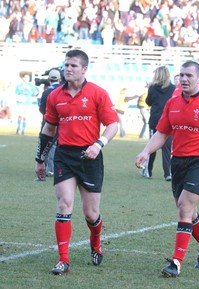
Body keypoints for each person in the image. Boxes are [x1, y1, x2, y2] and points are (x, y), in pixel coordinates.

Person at [135, 61, 199, 277]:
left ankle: (176, 263)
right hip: (178, 162)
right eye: (181, 75)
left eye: (189, 75)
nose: (184, 79)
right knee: (188, 212)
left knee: (184, 207)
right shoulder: (172, 103)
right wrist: (146, 152)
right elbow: (162, 133)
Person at [34, 49, 119, 275]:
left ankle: (96, 242)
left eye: (73, 65)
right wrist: (40, 159)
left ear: (84, 69)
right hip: (65, 155)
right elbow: (49, 129)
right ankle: (63, 260)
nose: (68, 69)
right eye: (66, 65)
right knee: (64, 204)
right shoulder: (54, 96)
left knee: (91, 214)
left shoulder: (98, 93)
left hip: (90, 156)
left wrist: (98, 144)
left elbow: (113, 125)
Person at [140, 66, 175, 180]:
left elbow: (148, 102)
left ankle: (147, 171)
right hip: (168, 120)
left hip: (155, 120)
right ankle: (168, 173)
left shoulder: (152, 88)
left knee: (151, 147)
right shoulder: (173, 88)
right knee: (167, 148)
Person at [37, 68, 63, 178]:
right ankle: (52, 169)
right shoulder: (64, 90)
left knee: (44, 144)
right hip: (62, 122)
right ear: (60, 79)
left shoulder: (46, 92)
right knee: (55, 146)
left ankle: (45, 167)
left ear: (48, 79)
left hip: (47, 121)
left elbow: (42, 109)